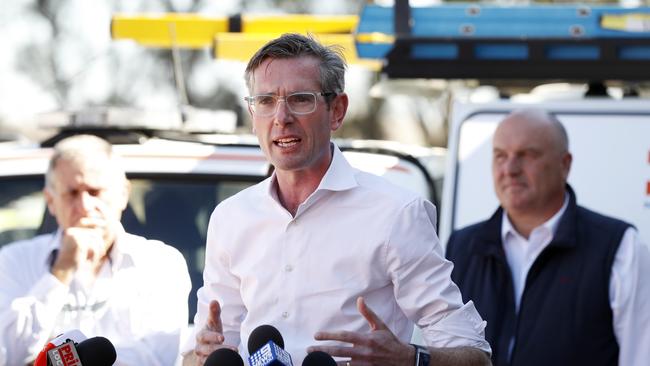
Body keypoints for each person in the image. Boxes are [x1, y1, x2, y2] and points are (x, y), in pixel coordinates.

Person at [182, 33, 491, 366]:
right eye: (266, 101)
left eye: (300, 99)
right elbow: (198, 356)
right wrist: (199, 356)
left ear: (337, 111)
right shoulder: (230, 218)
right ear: (252, 113)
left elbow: (476, 357)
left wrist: (410, 359)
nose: (281, 117)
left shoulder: (396, 213)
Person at [445, 108, 650, 366]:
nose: (510, 168)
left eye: (527, 155)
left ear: (565, 164)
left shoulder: (619, 247)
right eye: (500, 156)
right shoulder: (462, 246)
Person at [0, 134, 192, 365]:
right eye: (72, 193)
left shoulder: (161, 262)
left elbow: (160, 357)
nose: (84, 206)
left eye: (95, 192)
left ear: (122, 194)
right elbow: (8, 354)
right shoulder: (14, 260)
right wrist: (60, 271)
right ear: (51, 201)